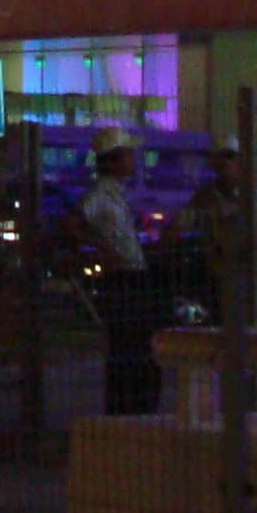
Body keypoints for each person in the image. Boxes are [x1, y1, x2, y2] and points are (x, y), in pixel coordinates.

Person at [65, 129, 161, 415]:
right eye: (128, 154)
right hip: (123, 276)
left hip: (131, 273)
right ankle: (128, 408)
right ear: (113, 160)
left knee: (134, 345)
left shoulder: (115, 192)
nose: (134, 159)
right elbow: (72, 223)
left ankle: (131, 406)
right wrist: (102, 248)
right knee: (129, 345)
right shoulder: (100, 194)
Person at [187, 134, 257, 321]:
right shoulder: (208, 198)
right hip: (228, 283)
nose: (224, 162)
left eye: (229, 156)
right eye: (219, 156)